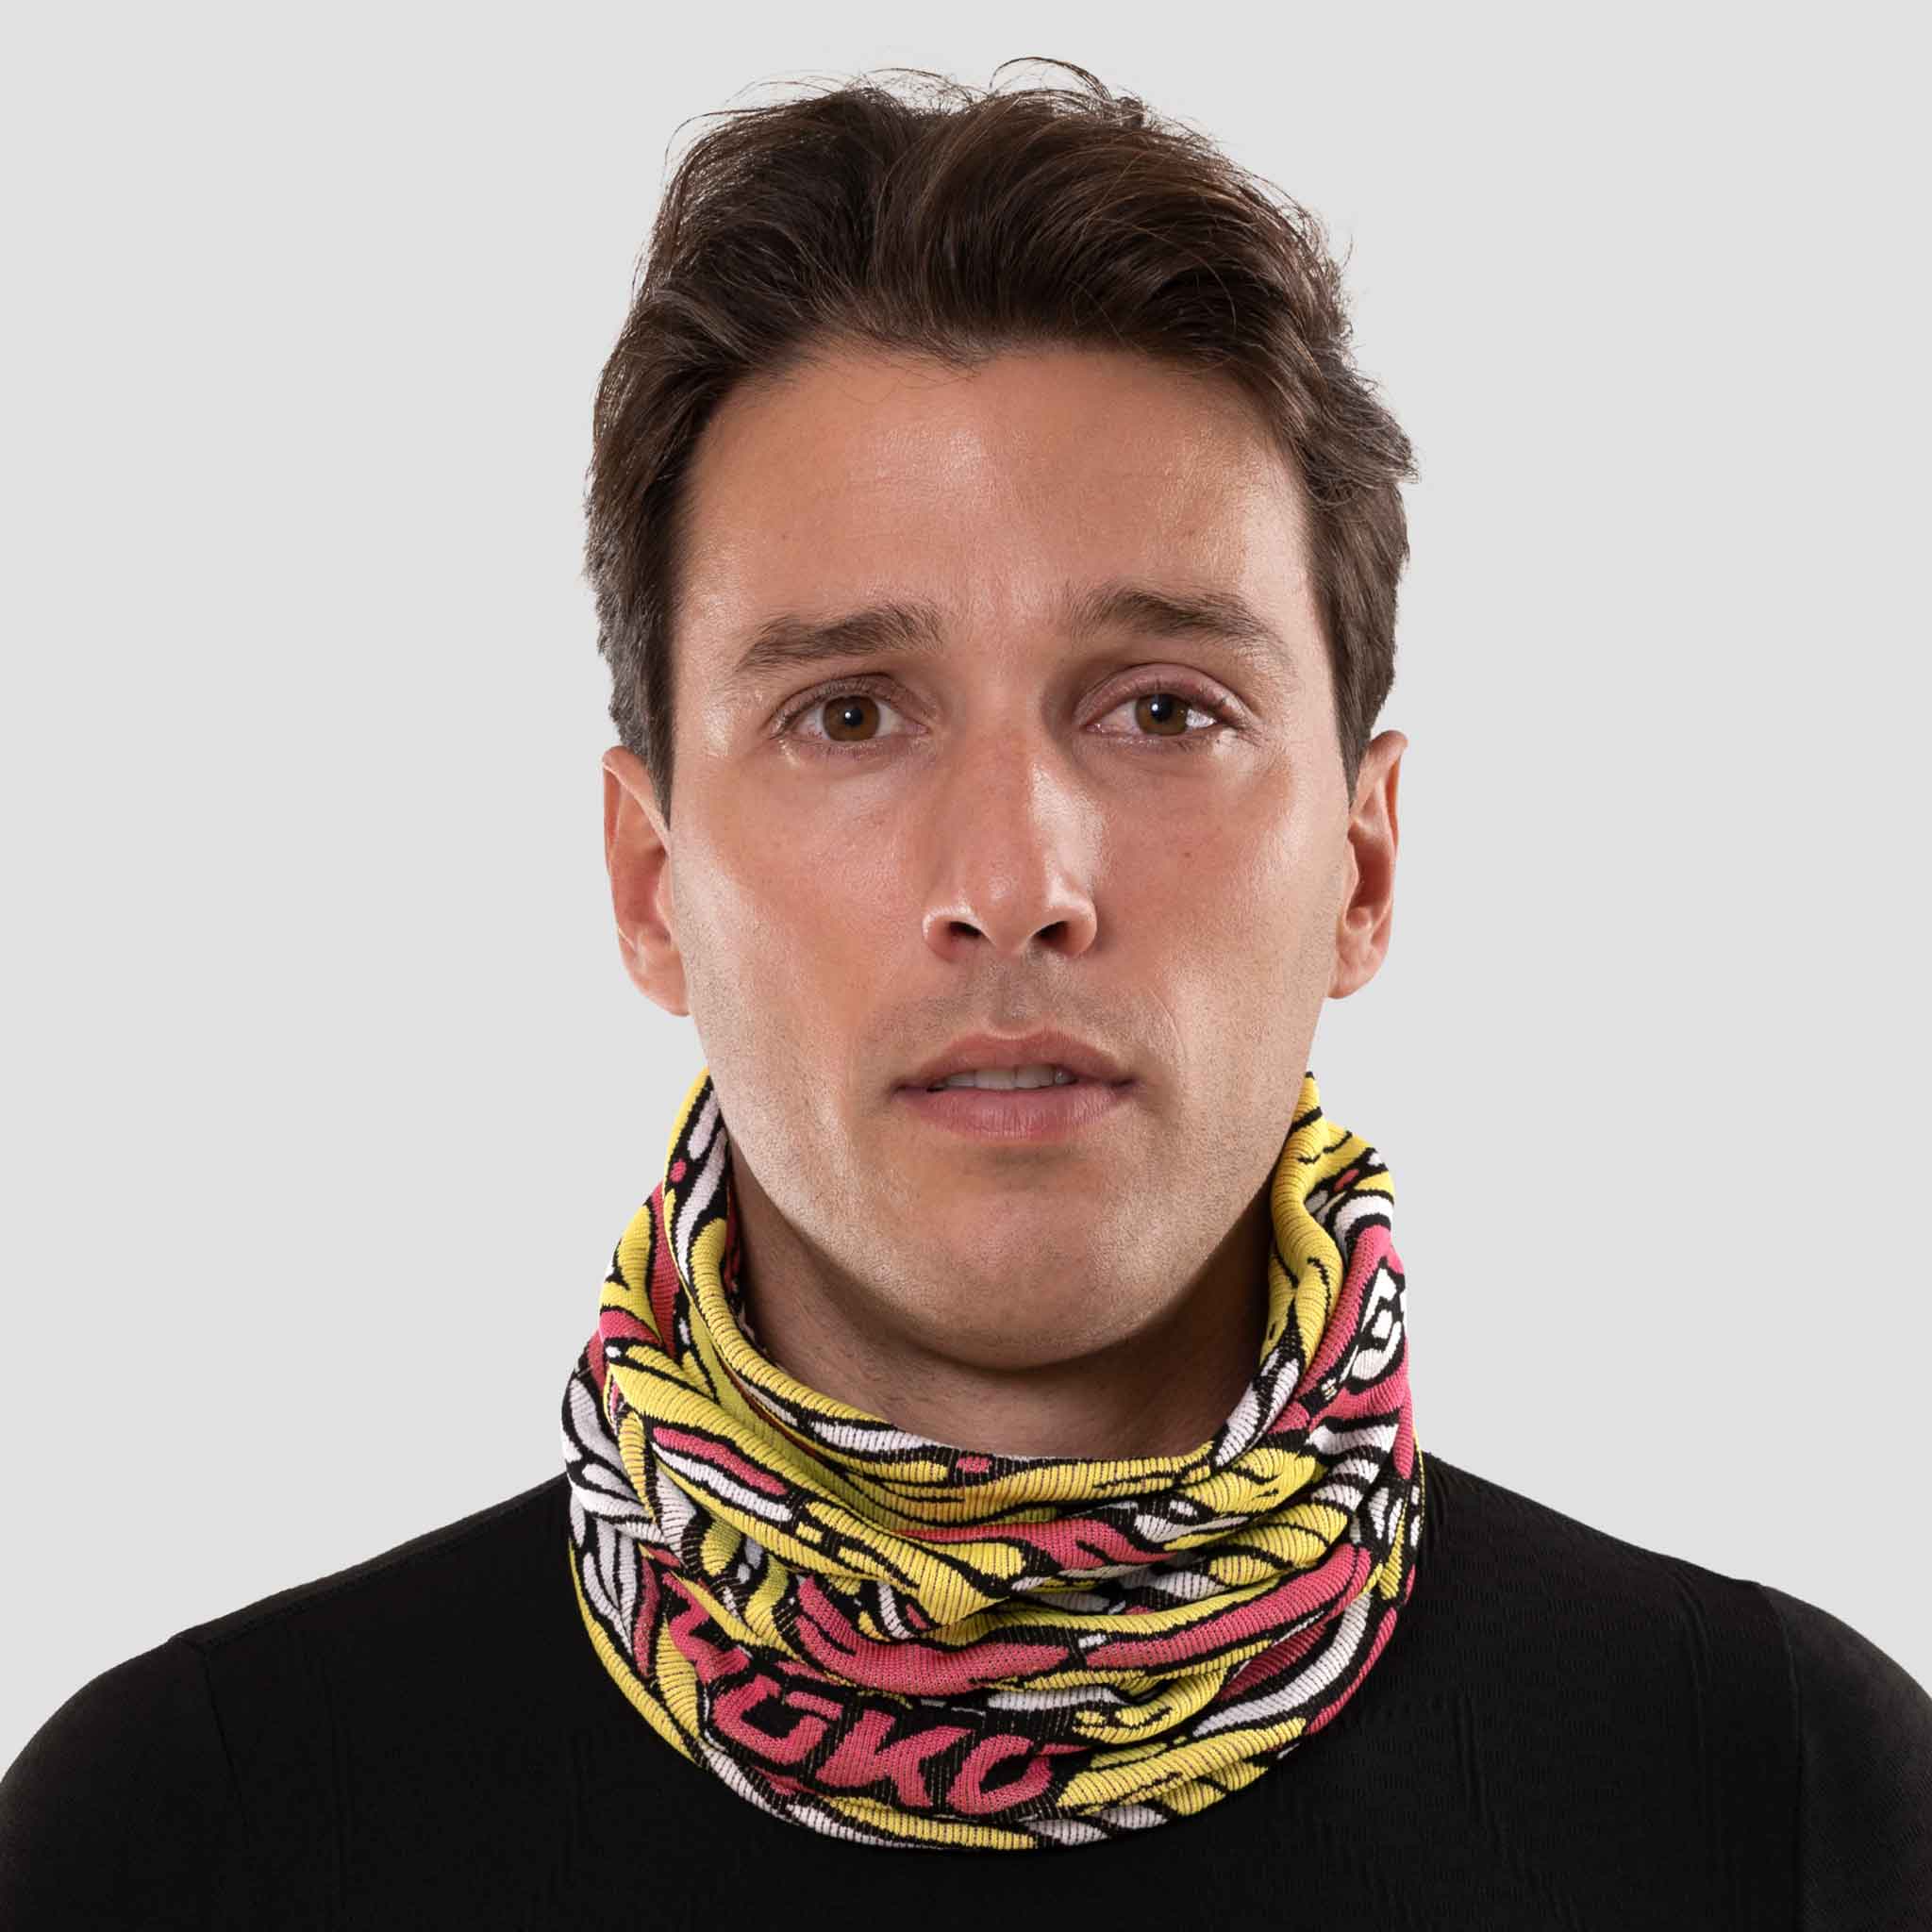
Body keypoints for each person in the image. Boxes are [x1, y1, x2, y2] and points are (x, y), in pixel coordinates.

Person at [4, 56, 1926, 1929]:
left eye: (1163, 710)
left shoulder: (1781, 1804)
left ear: (1363, 862)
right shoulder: (191, 1840)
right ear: (650, 881)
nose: (1015, 885)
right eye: (850, 715)